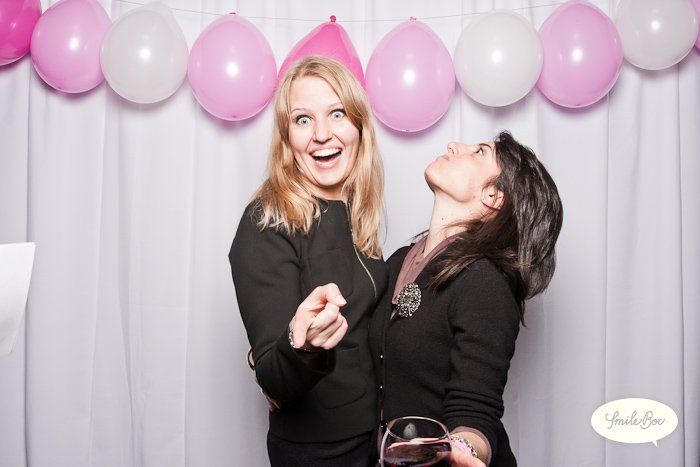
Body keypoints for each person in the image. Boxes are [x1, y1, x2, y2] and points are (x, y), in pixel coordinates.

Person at [229, 55, 387, 467]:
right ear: (287, 138)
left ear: (358, 125)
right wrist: (302, 346)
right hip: (320, 453)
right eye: (303, 119)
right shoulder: (266, 221)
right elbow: (273, 376)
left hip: (374, 439)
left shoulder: (356, 213)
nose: (321, 134)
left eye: (337, 113)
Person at [369, 131, 563, 467]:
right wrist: (283, 364)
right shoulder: (399, 261)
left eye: (479, 152)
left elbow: (475, 410)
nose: (453, 146)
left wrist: (461, 451)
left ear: (493, 196)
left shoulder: (485, 280)